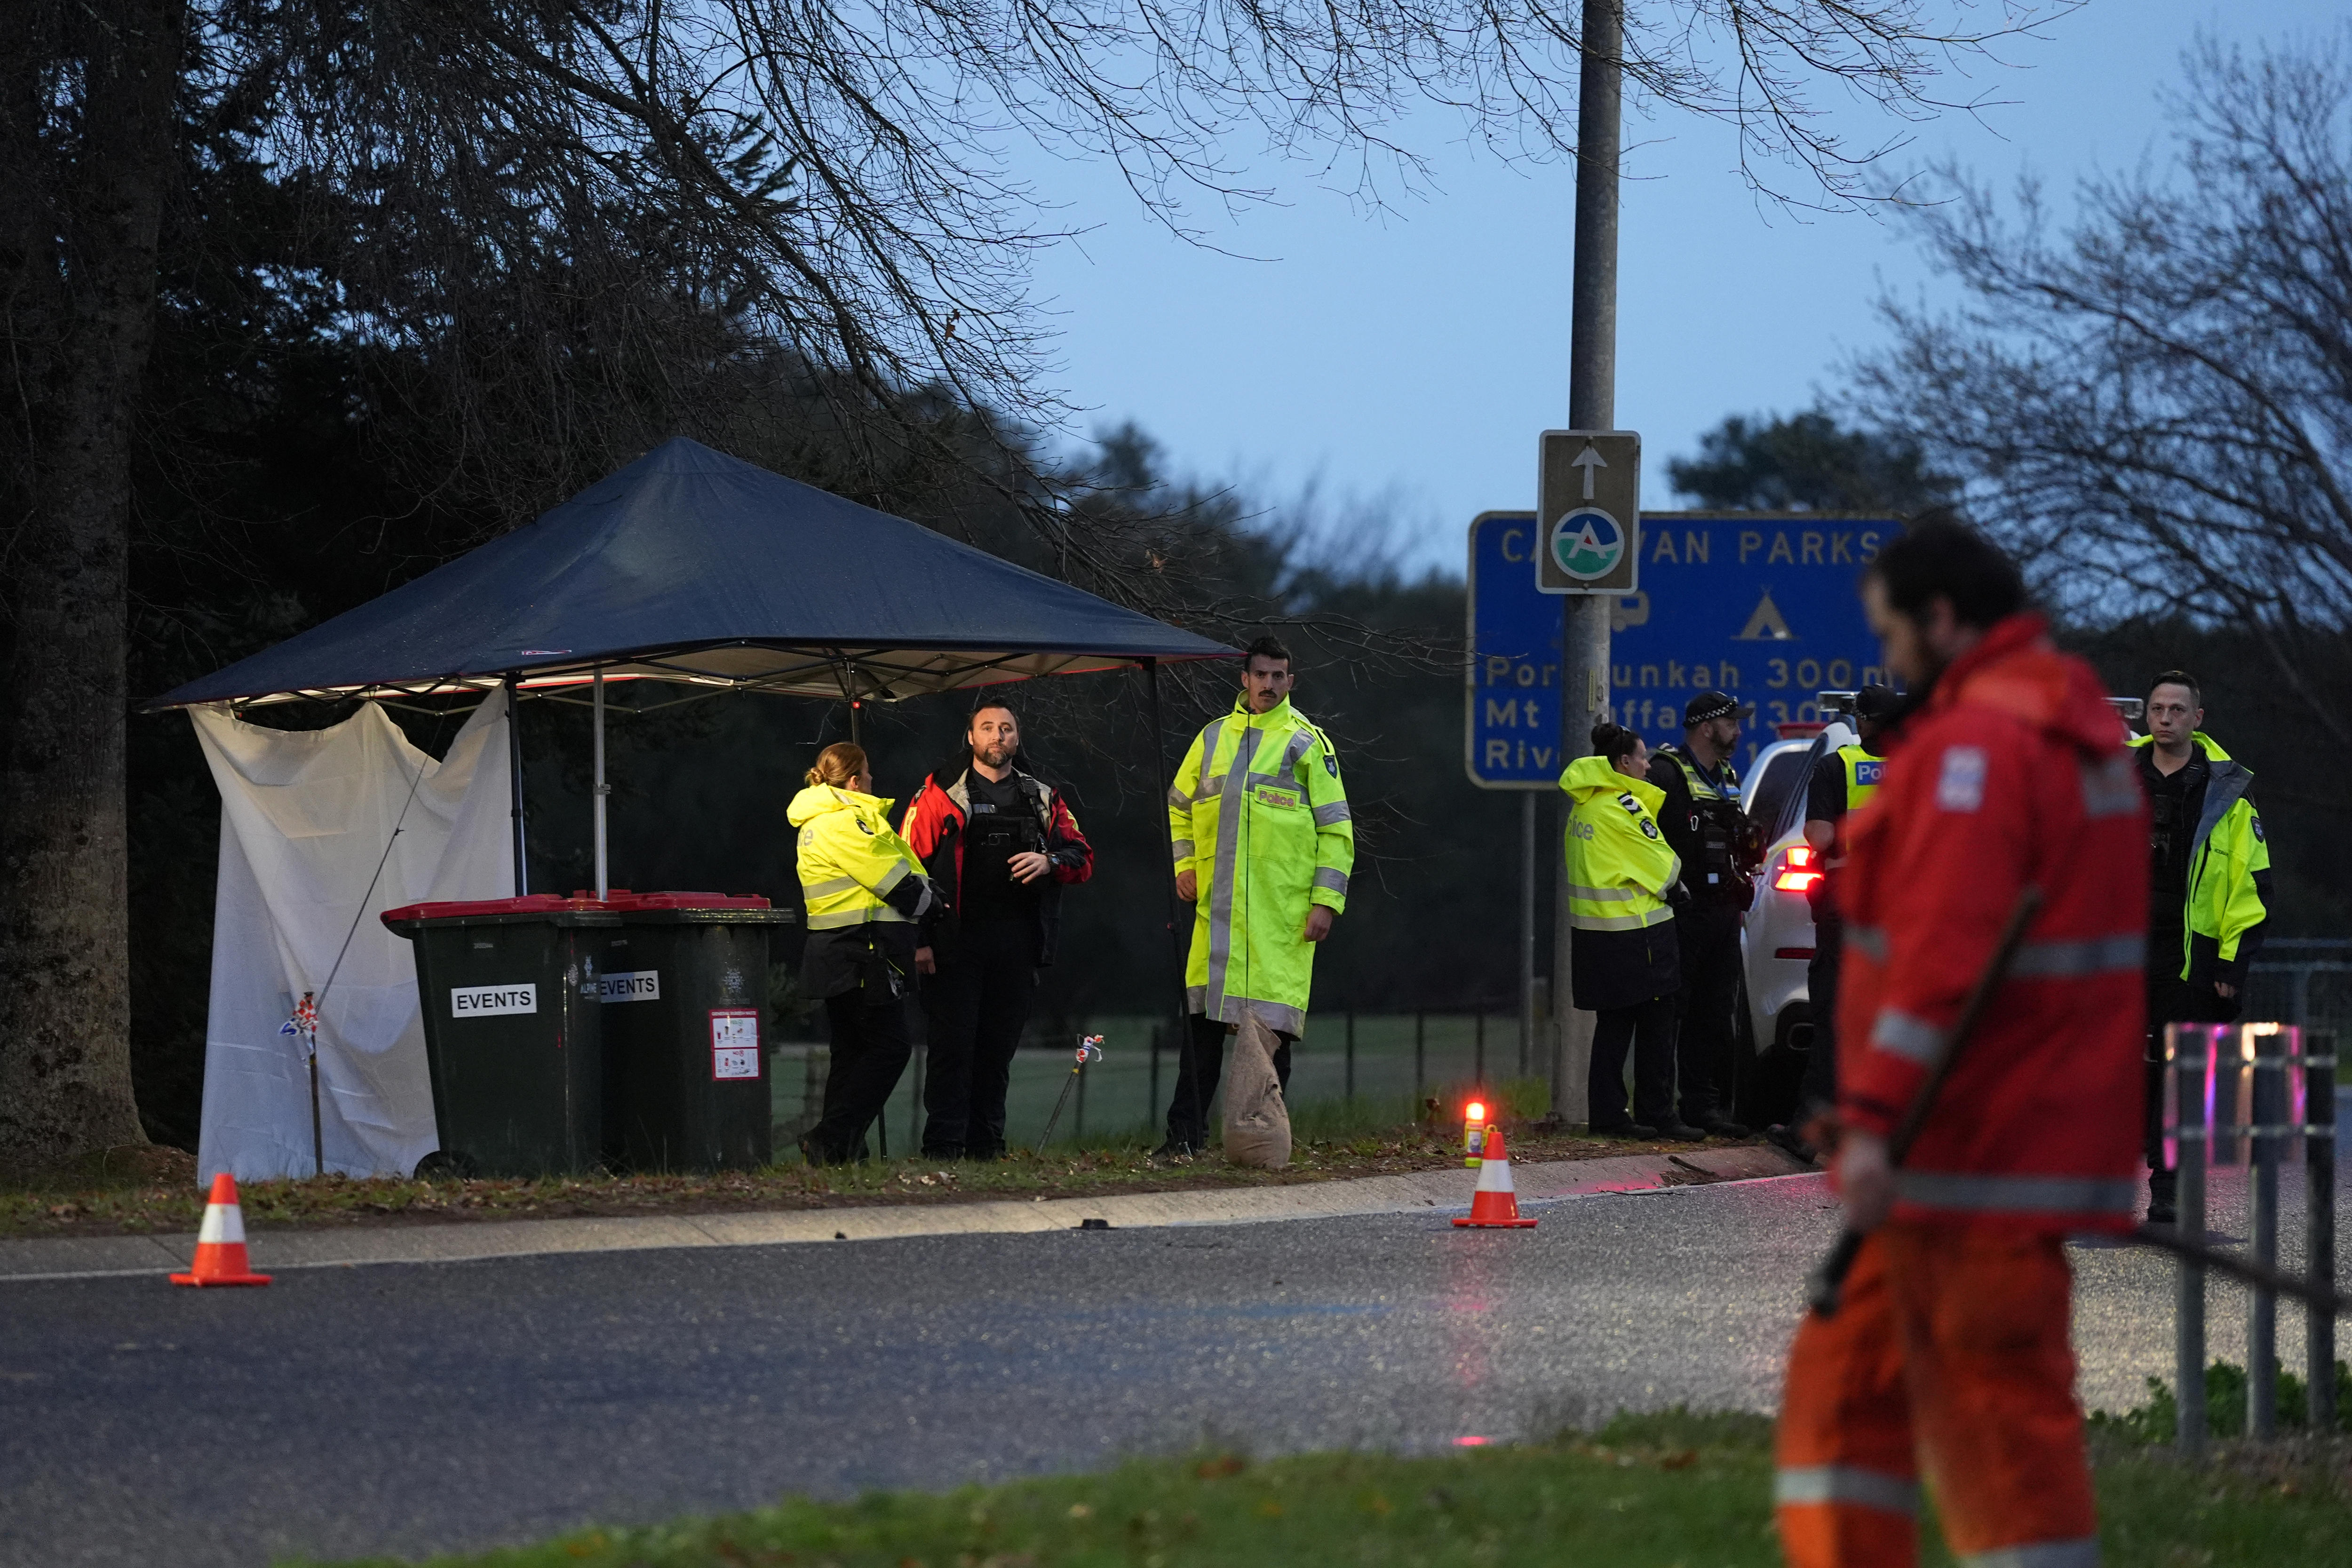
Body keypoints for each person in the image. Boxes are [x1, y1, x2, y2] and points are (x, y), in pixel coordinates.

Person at [1774, 517, 2145, 1568]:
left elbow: (1939, 967)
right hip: (1998, 1141)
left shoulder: (1979, 751)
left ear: (1941, 620)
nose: (1888, 658)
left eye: (1893, 631)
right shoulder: (2076, 741)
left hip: (1961, 1149)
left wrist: (1874, 1122)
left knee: (1992, 1421)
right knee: (1851, 1391)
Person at [1157, 635, 1353, 1157]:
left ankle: (1260, 1144)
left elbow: (1337, 830)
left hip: (1277, 923)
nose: (1268, 684)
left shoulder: (1306, 743)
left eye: (1278, 676)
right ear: (1242, 679)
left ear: (1292, 681)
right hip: (1217, 921)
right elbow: (1177, 806)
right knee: (1198, 1036)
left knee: (1269, 1040)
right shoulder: (1212, 738)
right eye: (1260, 675)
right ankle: (1183, 1141)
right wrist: (1183, 865)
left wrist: (1324, 903)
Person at [900, 697, 1095, 1160]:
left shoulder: (1043, 796)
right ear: (970, 737)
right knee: (952, 1050)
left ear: (1017, 737)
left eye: (1005, 728)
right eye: (987, 728)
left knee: (998, 1050)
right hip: (953, 944)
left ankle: (987, 1148)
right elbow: (905, 870)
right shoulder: (938, 795)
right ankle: (943, 1149)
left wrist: (1048, 862)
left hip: (1017, 945)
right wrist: (920, 941)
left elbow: (1082, 858)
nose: (997, 736)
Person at [2130, 669, 2271, 1226]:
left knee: (2178, 1069)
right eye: (2156, 709)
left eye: (2175, 710)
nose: (2164, 720)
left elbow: (2249, 884)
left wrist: (2232, 964)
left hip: (2190, 951)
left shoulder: (2227, 788)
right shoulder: (2114, 774)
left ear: (2196, 718)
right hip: (2119, 945)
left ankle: (2166, 1186)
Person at [789, 742, 936, 1166]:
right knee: (891, 1048)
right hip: (860, 951)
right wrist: (933, 900)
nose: (873, 780)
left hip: (835, 951)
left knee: (851, 1051)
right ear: (854, 781)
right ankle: (831, 1138)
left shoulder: (819, 821)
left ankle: (841, 1152)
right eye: (867, 773)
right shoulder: (845, 823)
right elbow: (890, 878)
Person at [1768, 684, 1898, 1163]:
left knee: (1834, 1019)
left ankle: (1813, 1132)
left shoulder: (1836, 766)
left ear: (1861, 722)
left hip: (1848, 907)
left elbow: (1819, 835)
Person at [1562, 722, 1700, 1139]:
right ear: (1624, 762)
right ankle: (1658, 1113)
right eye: (1643, 758)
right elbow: (1664, 865)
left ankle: (1608, 1115)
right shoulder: (1622, 807)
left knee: (1614, 1026)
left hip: (1597, 934)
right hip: (1639, 931)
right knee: (1658, 1022)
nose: (1648, 766)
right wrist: (1679, 884)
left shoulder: (1585, 805)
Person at [1647, 690, 1759, 1138]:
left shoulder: (1728, 774)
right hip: (1684, 910)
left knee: (1714, 1011)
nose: (1739, 729)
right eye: (1732, 722)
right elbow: (1643, 837)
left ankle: (1703, 1106)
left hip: (1724, 909)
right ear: (1707, 726)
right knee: (1673, 1010)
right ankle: (1660, 1110)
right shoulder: (1666, 771)